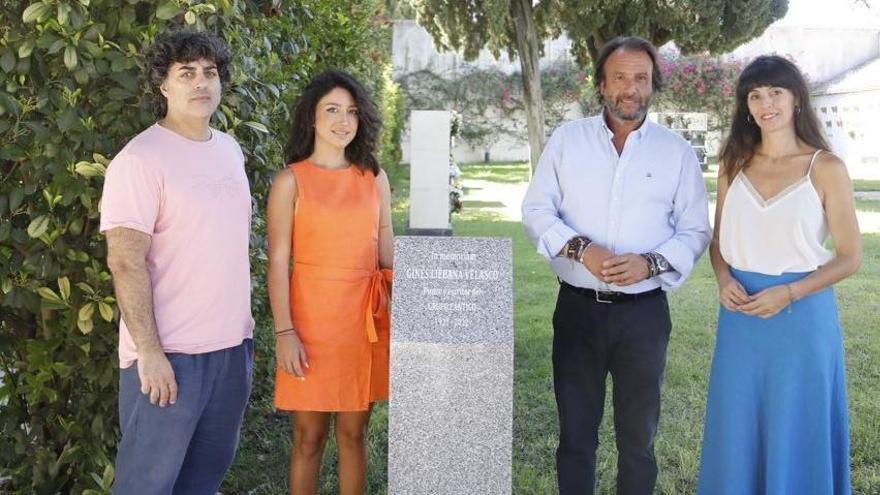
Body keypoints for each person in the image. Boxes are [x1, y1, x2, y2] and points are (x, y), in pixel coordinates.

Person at [522, 36, 711, 494]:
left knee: (638, 441)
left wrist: (651, 263)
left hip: (643, 316)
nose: (631, 88)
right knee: (575, 439)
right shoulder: (568, 141)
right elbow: (536, 209)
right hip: (578, 311)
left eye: (641, 78)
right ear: (602, 84)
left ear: (653, 85)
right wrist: (580, 249)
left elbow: (695, 230)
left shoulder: (676, 152)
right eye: (620, 77)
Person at [697, 55, 861, 495]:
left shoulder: (826, 168)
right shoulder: (734, 162)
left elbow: (849, 257)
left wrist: (789, 293)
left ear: (796, 100)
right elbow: (718, 244)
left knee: (798, 423)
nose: (765, 103)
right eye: (755, 95)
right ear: (745, 105)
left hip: (802, 319)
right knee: (738, 427)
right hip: (741, 319)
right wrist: (723, 279)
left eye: (775, 92)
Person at [100, 31, 254, 494]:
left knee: (202, 483)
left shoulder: (229, 149)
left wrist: (244, 343)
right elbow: (125, 261)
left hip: (230, 353)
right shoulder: (139, 160)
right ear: (163, 85)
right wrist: (150, 352)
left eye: (209, 72)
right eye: (185, 73)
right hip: (170, 360)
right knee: (145, 487)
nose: (200, 82)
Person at [266, 69, 393, 495]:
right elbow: (279, 263)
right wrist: (285, 332)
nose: (343, 121)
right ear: (312, 119)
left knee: (354, 436)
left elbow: (387, 251)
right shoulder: (290, 181)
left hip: (362, 324)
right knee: (308, 438)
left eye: (352, 112)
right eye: (332, 110)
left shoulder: (374, 177)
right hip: (309, 326)